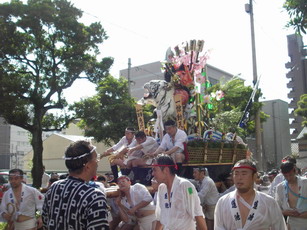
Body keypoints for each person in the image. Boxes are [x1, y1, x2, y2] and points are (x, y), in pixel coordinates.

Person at [42, 140, 109, 229]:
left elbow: (45, 221)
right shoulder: (94, 196)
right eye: (96, 159)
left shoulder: (54, 187)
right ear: (88, 166)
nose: (98, 163)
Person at [214, 159, 287, 230]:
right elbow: (218, 227)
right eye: (236, 174)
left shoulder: (269, 202)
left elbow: (280, 227)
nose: (239, 178)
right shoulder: (222, 202)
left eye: (244, 174)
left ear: (254, 176)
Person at [152, 154, 207, 230]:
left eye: (154, 170)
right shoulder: (161, 188)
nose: (152, 174)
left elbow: (198, 214)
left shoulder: (185, 186)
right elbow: (160, 217)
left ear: (166, 170)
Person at [275, 161, 307, 229]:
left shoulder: (305, 183)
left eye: (290, 175)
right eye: (286, 176)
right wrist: (285, 212)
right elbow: (276, 209)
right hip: (292, 224)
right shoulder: (280, 188)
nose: (288, 178)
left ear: (295, 171)